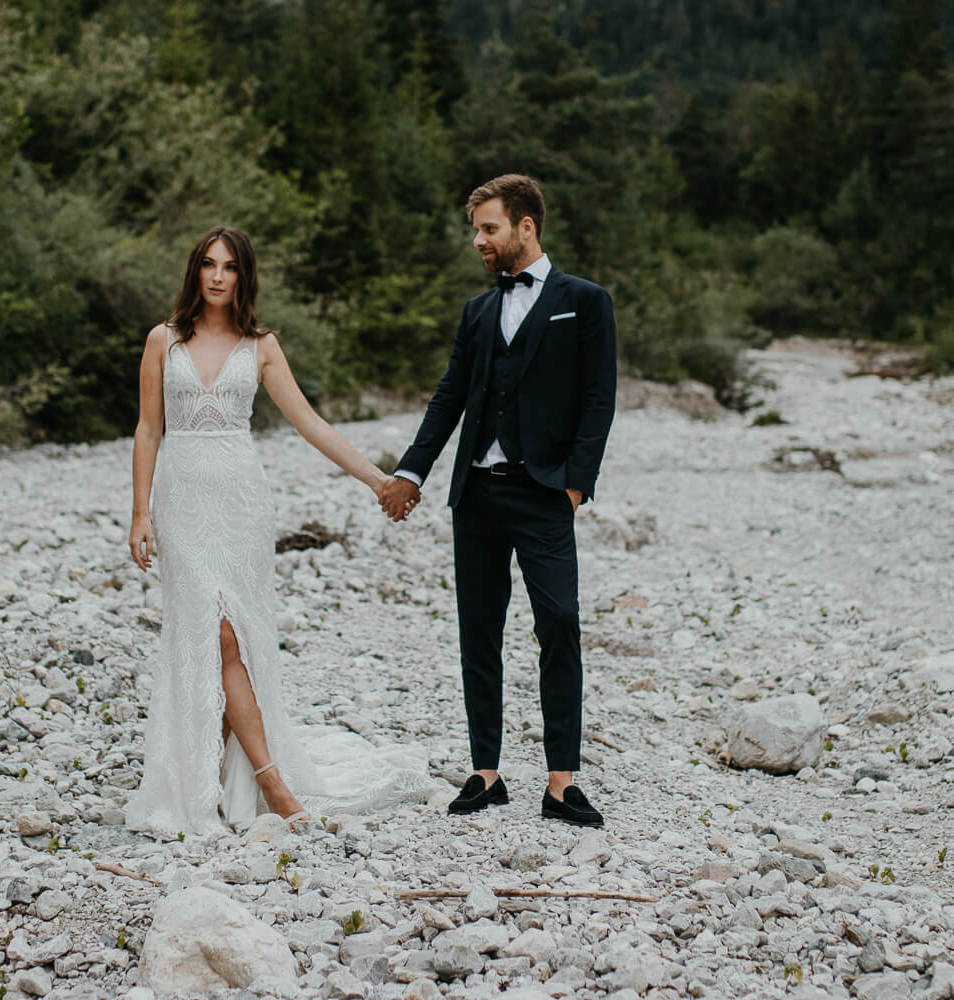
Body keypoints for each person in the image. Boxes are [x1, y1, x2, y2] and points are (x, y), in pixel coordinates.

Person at [126, 225, 431, 835]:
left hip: (241, 504)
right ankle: (268, 781)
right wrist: (139, 512)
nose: (218, 276)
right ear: (195, 271)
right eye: (209, 264)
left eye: (230, 267)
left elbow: (310, 424)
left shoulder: (260, 345)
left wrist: (379, 480)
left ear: (244, 276)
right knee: (211, 636)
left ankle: (225, 776)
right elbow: (148, 429)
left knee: (235, 640)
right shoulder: (164, 340)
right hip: (182, 504)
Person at [379, 174, 617, 828]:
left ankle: (562, 783)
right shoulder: (477, 312)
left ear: (525, 226)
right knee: (478, 631)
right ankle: (485, 773)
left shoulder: (584, 302)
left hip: (545, 495)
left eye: (488, 228)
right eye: (476, 230)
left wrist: (575, 485)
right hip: (477, 496)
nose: (478, 241)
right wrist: (412, 472)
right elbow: (449, 398)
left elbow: (599, 398)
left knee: (559, 625)